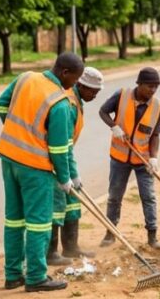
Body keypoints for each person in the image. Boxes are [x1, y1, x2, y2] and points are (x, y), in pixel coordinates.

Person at [0, 52, 84, 292]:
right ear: (64, 73)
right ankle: (35, 277)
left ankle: (13, 275)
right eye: (74, 80)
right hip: (35, 168)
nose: (73, 85)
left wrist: (20, 133)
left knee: (14, 220)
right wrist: (65, 179)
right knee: (39, 224)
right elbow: (58, 148)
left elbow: (1, 104)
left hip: (9, 158)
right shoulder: (60, 102)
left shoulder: (25, 78)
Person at [100, 67, 160, 249]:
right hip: (119, 158)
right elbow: (103, 112)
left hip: (143, 160)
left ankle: (152, 236)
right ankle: (110, 233)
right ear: (139, 84)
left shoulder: (158, 106)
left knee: (149, 197)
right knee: (114, 196)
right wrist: (114, 127)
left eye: (156, 87)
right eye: (149, 87)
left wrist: (154, 158)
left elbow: (155, 136)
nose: (152, 91)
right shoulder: (121, 95)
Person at [48, 66, 104, 264]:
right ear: (81, 85)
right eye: (93, 91)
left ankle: (71, 248)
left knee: (73, 202)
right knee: (57, 206)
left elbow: (69, 144)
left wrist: (74, 175)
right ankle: (51, 253)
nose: (95, 95)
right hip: (53, 161)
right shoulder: (68, 104)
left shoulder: (77, 102)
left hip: (64, 157)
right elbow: (62, 146)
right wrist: (68, 174)